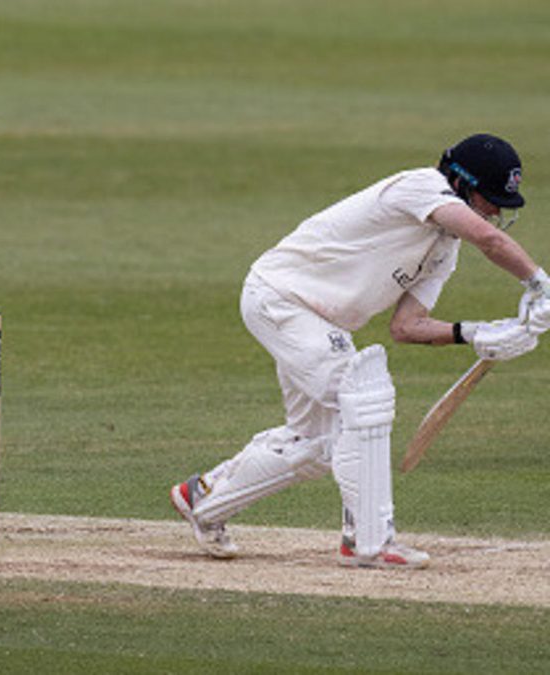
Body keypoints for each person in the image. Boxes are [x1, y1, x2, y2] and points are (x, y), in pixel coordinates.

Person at [170, 133, 550, 569]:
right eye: (490, 199)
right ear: (460, 183)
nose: (495, 212)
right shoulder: (420, 186)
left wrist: (479, 334)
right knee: (363, 396)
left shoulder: (444, 249)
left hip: (320, 322)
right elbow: (490, 239)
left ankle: (203, 497)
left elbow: (407, 327)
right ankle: (369, 541)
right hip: (281, 298)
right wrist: (539, 284)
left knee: (316, 441)